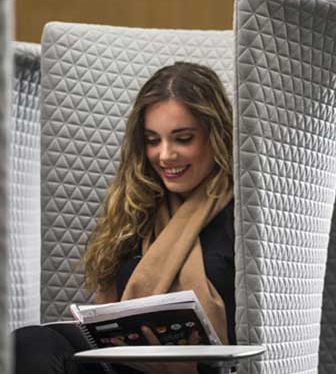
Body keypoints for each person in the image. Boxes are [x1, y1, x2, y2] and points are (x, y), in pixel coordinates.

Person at [13, 62, 235, 374]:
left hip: (199, 371)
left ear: (217, 136)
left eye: (183, 138)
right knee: (28, 344)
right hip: (121, 363)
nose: (165, 155)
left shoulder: (242, 217)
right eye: (152, 140)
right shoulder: (137, 206)